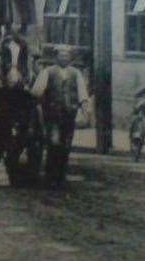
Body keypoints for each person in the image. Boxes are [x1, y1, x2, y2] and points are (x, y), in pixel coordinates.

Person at [31, 45, 89, 185]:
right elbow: (37, 92)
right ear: (56, 57)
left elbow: (82, 93)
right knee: (53, 142)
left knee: (66, 144)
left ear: (70, 57)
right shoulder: (48, 72)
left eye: (66, 55)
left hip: (69, 114)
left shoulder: (75, 73)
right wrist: (40, 101)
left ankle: (61, 175)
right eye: (61, 55)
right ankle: (50, 175)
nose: (64, 58)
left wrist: (85, 109)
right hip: (52, 114)